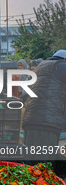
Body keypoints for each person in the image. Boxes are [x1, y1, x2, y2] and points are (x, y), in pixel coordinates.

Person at [22, 49, 66, 177]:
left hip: (31, 119)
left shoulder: (41, 68)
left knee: (31, 161)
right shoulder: (61, 66)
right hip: (48, 122)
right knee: (44, 163)